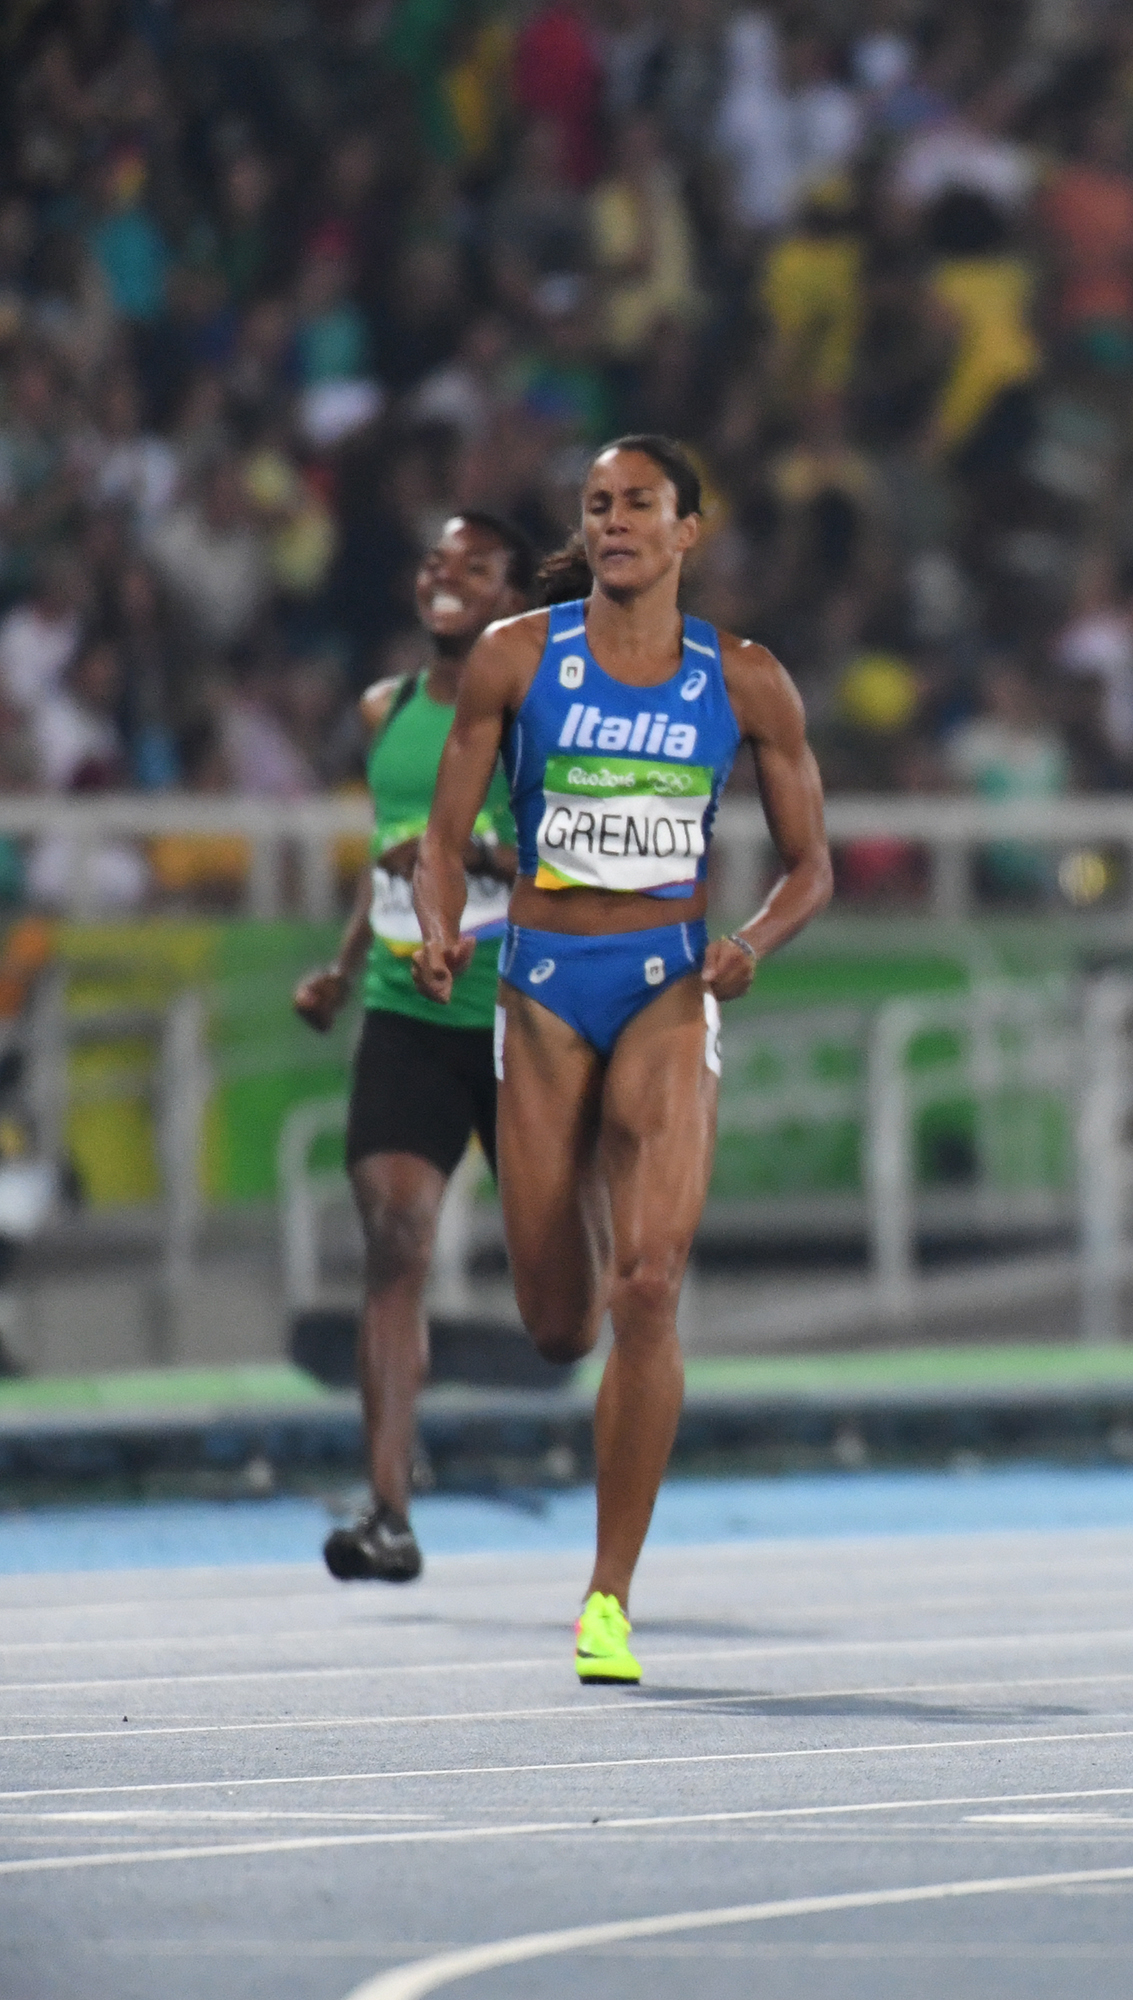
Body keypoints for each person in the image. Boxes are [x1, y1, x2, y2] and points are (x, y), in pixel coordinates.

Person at [414, 435, 832, 1683]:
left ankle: (609, 1593)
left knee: (648, 1289)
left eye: (638, 505)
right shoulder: (517, 657)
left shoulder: (745, 679)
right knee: (556, 1323)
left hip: (666, 982)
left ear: (688, 529)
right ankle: (591, 1204)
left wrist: (754, 940)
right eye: (596, 506)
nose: (613, 524)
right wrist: (442, 927)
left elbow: (815, 863)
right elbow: (445, 837)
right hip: (541, 990)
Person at [294, 511, 534, 1583]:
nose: (448, 578)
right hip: (404, 1007)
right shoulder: (384, 707)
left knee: (561, 1292)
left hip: (518, 1016)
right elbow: (385, 855)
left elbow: (587, 863)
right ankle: (389, 1509)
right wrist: (344, 967)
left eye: (475, 567)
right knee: (395, 1237)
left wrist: (486, 852)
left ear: (513, 596)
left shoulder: (540, 716)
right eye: (438, 561)